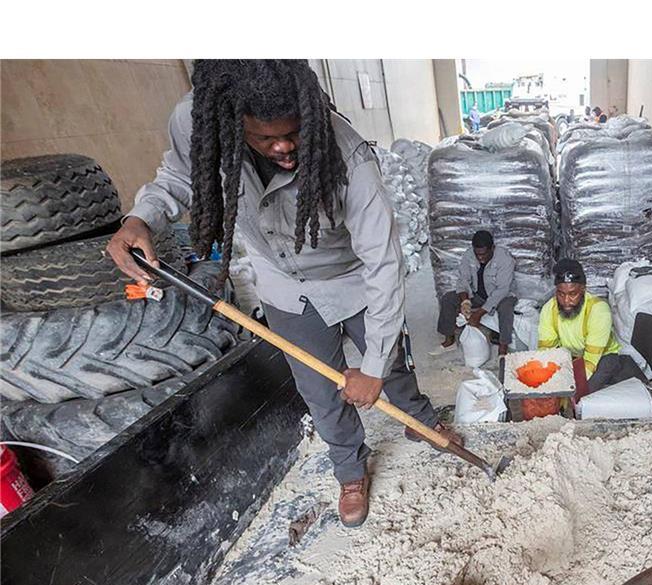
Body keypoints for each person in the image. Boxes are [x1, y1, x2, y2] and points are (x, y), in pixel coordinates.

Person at [105, 60, 462, 529]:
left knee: (391, 365)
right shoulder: (200, 121)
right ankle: (350, 470)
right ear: (235, 125)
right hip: (283, 283)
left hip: (351, 276)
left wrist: (371, 369)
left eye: (293, 133)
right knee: (319, 389)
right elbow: (179, 175)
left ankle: (421, 422)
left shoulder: (348, 156)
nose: (283, 147)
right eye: (265, 138)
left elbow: (383, 263)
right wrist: (141, 216)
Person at [538, 259, 646, 393]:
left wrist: (570, 388)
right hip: (572, 357)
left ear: (583, 289)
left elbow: (590, 361)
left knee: (581, 393)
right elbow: (547, 350)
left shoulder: (599, 310)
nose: (566, 301)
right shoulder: (549, 309)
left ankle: (620, 369)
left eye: (573, 294)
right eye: (561, 294)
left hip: (602, 357)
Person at [435, 230, 517, 358]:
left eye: (484, 254)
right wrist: (465, 302)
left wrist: (479, 313)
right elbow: (463, 280)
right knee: (448, 299)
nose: (480, 258)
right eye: (477, 254)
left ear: (492, 248)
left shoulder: (505, 259)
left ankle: (503, 349)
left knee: (506, 308)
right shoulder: (469, 255)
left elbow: (502, 289)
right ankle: (449, 340)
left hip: (502, 296)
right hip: (478, 295)